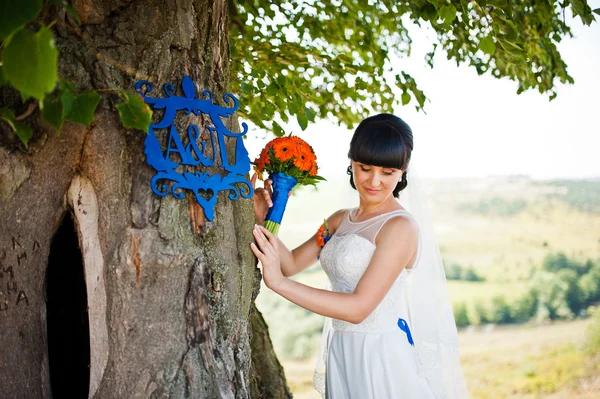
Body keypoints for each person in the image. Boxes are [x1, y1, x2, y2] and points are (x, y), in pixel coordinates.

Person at [250, 113, 469, 398]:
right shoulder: (339, 220)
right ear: (352, 161)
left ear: (402, 172)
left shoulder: (400, 227)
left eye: (388, 172)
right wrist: (260, 218)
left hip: (380, 357)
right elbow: (290, 263)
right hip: (342, 351)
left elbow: (358, 308)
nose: (374, 181)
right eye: (365, 168)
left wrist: (277, 284)